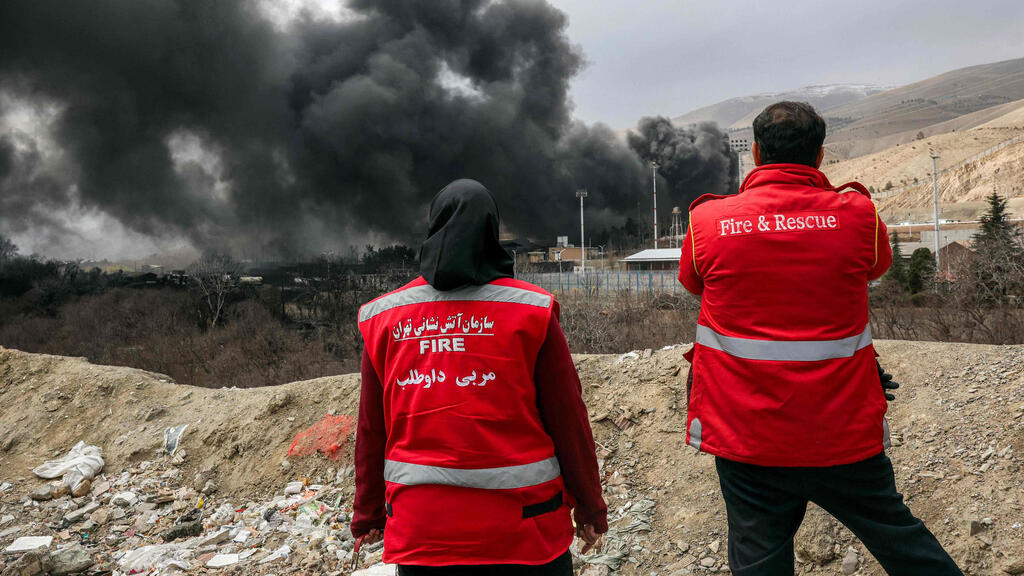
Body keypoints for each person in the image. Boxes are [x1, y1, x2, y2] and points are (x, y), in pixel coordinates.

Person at [678, 101, 962, 576]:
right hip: (841, 431)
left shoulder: (707, 222)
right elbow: (879, 266)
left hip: (748, 437)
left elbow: (692, 282)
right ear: (821, 155)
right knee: (903, 543)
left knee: (758, 559)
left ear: (755, 153)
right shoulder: (858, 217)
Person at [352, 179, 608, 575]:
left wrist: (368, 513)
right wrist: (590, 507)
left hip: (424, 537)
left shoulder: (383, 318)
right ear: (492, 232)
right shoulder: (530, 312)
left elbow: (372, 428)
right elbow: (569, 420)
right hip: (525, 532)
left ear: (433, 229)